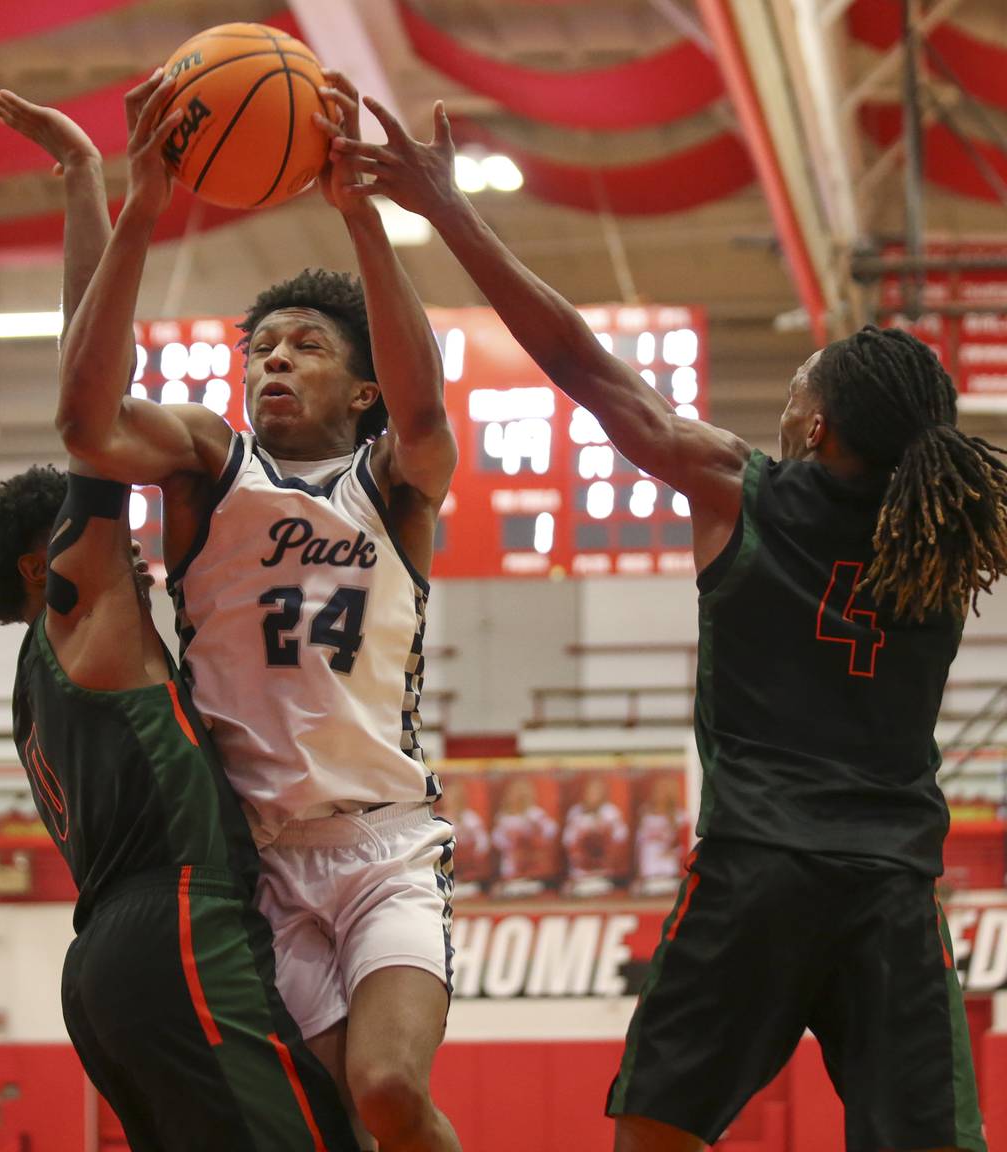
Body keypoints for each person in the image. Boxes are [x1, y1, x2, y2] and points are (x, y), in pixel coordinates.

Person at [335, 98, 1007, 1152]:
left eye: (794, 394)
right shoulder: (945, 538)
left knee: (655, 1136)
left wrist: (449, 210)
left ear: (817, 425)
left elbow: (582, 364)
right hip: (893, 883)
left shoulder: (745, 489)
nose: (782, 411)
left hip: (759, 865)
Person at [52, 66, 460, 1151]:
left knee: (389, 1089)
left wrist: (361, 220)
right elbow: (86, 422)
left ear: (361, 389)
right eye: (260, 348)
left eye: (306, 345)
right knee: (332, 1124)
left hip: (385, 848)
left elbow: (430, 418)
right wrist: (134, 200)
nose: (274, 357)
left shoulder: (394, 486)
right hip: (255, 864)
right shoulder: (208, 464)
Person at [0, 84, 358, 1152]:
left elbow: (90, 390)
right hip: (179, 923)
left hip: (107, 959)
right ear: (47, 564)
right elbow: (90, 400)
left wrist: (80, 183)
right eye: (95, 526)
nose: (124, 533)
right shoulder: (81, 601)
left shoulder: (38, 681)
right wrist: (128, 198)